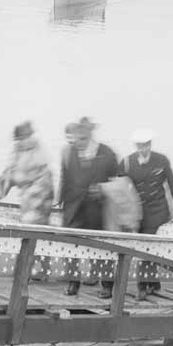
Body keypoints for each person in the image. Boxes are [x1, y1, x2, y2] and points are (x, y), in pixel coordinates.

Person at [58, 117, 121, 297]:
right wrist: (60, 202)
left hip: (98, 210)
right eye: (75, 139)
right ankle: (73, 283)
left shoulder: (107, 154)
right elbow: (64, 178)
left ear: (89, 136)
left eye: (80, 139)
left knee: (102, 248)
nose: (76, 143)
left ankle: (107, 286)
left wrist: (103, 189)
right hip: (73, 208)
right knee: (70, 247)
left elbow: (119, 182)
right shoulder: (68, 153)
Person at [122, 129, 173, 299]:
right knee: (145, 247)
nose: (143, 149)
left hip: (158, 210)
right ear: (136, 146)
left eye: (146, 145)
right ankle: (153, 283)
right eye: (140, 146)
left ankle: (142, 285)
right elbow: (119, 185)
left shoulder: (161, 160)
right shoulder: (127, 162)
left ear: (150, 145)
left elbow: (172, 183)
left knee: (148, 247)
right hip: (138, 212)